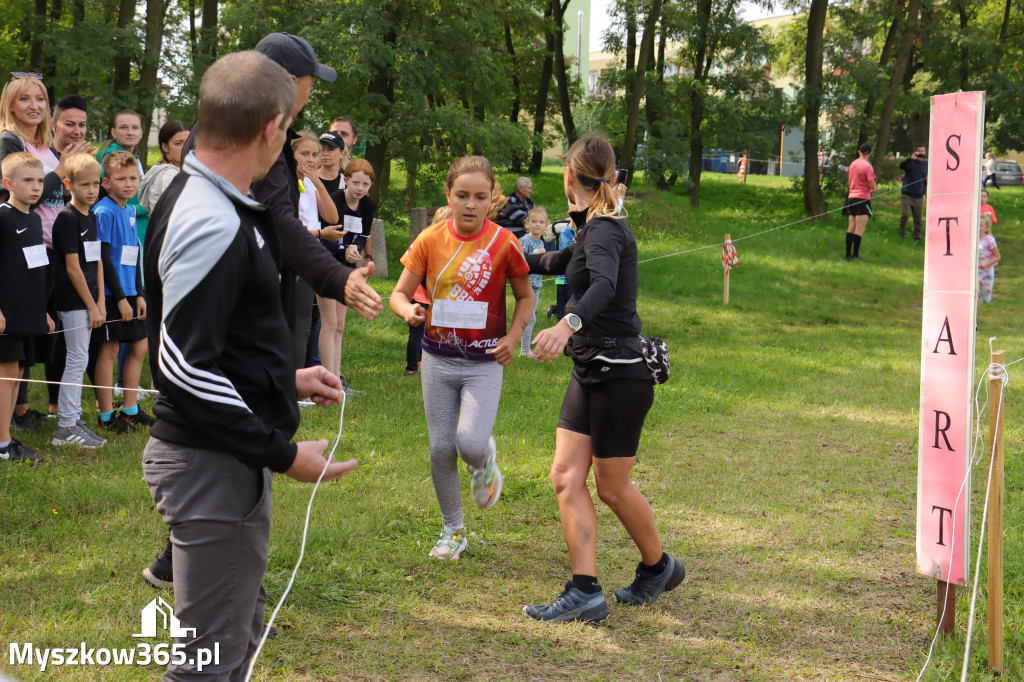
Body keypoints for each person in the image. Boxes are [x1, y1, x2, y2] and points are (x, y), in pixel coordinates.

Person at [139, 31, 383, 591]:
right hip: (207, 456)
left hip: (224, 454)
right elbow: (181, 365)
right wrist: (282, 453)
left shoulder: (224, 195)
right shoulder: (213, 215)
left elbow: (212, 339)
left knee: (233, 641)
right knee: (209, 662)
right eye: (303, 86)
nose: (307, 100)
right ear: (272, 123)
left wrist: (282, 377)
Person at [522, 135, 684, 623]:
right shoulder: (590, 227)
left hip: (621, 375)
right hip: (591, 370)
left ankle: (659, 568)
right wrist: (498, 255)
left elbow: (607, 284)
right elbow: (559, 263)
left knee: (612, 488)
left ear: (569, 177)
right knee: (567, 477)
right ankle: (585, 591)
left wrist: (565, 323)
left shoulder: (607, 230)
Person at [389, 155, 534, 561]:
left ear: (492, 200)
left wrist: (514, 335)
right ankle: (453, 529)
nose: (471, 204)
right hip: (436, 359)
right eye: (462, 195)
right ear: (449, 197)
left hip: (484, 361)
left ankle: (482, 457)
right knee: (439, 450)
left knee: (468, 442)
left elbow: (525, 296)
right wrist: (408, 311)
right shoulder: (429, 240)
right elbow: (399, 294)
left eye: (480, 197)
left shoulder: (505, 243)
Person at [0, 76, 91, 427]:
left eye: (40, 98)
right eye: (25, 99)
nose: (34, 106)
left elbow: (56, 195)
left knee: (38, 333)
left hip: (51, 248)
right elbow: (25, 191)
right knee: (17, 334)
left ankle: (22, 409)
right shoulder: (9, 141)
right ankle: (16, 414)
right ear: (10, 105)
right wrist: (61, 169)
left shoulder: (47, 148)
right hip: (23, 249)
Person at [50, 153, 107, 449]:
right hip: (73, 301)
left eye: (96, 184)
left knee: (80, 357)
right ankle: (65, 428)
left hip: (90, 300)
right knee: (76, 359)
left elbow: (94, 261)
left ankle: (74, 417)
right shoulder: (67, 219)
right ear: (69, 184)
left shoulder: (92, 215)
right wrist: (90, 304)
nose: (92, 190)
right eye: (85, 185)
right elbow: (73, 267)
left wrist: (101, 300)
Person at [93, 150, 152, 433]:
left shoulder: (129, 209)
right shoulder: (103, 211)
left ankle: (130, 409)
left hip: (130, 290)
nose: (128, 184)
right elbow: (103, 258)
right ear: (106, 183)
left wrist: (138, 293)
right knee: (110, 349)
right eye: (121, 179)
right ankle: (106, 414)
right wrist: (118, 298)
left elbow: (134, 254)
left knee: (140, 346)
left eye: (133, 178)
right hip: (110, 292)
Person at [0, 152, 52, 464]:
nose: (35, 187)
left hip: (26, 311)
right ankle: (3, 444)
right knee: (6, 373)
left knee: (17, 372)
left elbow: (35, 268)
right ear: (7, 183)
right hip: (5, 315)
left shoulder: (33, 218)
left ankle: (4, 436)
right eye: (27, 181)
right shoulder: (2, 217)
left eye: (40, 181)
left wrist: (40, 311)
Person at [316, 158, 376, 381]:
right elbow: (322, 234)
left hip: (348, 267)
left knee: (339, 325)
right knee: (329, 322)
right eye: (356, 183)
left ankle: (336, 379)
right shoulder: (334, 201)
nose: (360, 189)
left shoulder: (369, 207)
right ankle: (326, 379)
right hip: (325, 264)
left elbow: (363, 235)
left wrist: (357, 249)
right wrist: (343, 249)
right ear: (346, 180)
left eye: (366, 185)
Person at [139, 119, 190, 212]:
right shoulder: (170, 175)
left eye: (188, 142)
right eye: (179, 143)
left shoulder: (167, 171)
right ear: (165, 147)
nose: (186, 147)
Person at [519, 206, 548, 357]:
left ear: (546, 226)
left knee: (531, 317)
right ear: (527, 224)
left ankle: (524, 350)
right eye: (534, 221)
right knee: (529, 317)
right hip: (526, 285)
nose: (537, 224)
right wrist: (537, 254)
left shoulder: (541, 242)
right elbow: (520, 260)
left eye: (541, 222)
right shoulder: (525, 241)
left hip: (536, 285)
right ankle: (524, 351)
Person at [843, 143, 876, 262]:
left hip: (851, 198)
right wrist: (874, 188)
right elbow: (872, 184)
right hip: (863, 199)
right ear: (870, 153)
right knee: (860, 228)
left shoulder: (853, 164)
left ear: (859, 152)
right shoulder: (867, 166)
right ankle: (855, 255)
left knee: (851, 226)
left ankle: (847, 255)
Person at [898, 145, 927, 242]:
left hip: (919, 196)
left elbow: (926, 180)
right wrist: (911, 158)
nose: (921, 153)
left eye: (922, 151)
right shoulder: (910, 162)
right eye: (919, 151)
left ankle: (917, 238)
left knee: (918, 219)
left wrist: (925, 192)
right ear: (915, 152)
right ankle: (902, 234)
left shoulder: (926, 165)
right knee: (905, 214)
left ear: (925, 152)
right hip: (907, 194)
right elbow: (901, 166)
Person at [978, 214, 1000, 304]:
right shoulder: (972, 239)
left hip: (987, 271)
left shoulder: (990, 241)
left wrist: (986, 265)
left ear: (986, 228)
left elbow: (997, 257)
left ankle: (985, 300)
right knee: (973, 290)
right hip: (975, 271)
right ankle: (974, 302)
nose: (977, 227)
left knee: (986, 295)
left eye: (980, 226)